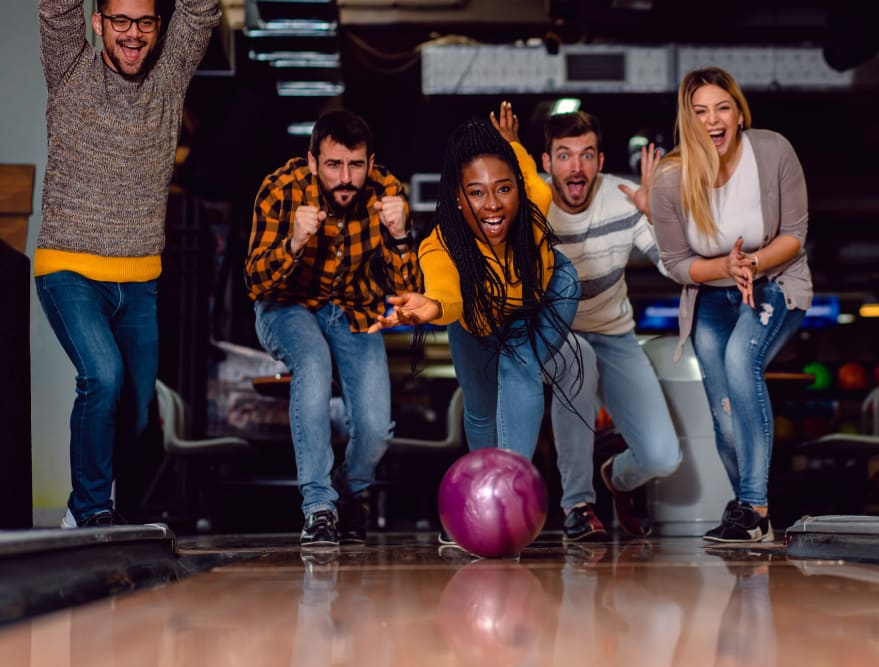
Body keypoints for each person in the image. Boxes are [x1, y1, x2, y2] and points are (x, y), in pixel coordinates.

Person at [35, 0, 221, 529]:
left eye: (144, 22)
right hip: (69, 268)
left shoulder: (169, 77)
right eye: (120, 21)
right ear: (98, 24)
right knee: (103, 376)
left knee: (136, 412)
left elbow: (202, 10)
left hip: (140, 280)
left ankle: (81, 509)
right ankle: (94, 508)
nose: (132, 34)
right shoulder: (70, 66)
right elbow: (55, 8)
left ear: (158, 26)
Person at [490, 102, 683, 540]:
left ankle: (617, 476)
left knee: (662, 457)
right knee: (580, 360)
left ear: (599, 160)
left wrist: (657, 215)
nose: (575, 167)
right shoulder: (529, 201)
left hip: (615, 334)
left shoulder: (625, 198)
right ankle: (578, 504)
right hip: (553, 333)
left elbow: (675, 268)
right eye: (564, 155)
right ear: (546, 163)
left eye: (586, 155)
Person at [648, 66, 812, 543]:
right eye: (699, 112)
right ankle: (748, 505)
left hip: (774, 283)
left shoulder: (773, 150)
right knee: (723, 412)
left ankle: (755, 509)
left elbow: (795, 236)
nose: (712, 120)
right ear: (687, 121)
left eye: (722, 108)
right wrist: (724, 268)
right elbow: (678, 262)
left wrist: (751, 265)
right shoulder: (670, 178)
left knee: (743, 363)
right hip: (711, 297)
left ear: (739, 113)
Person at [245, 110, 422, 548]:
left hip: (355, 311)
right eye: (333, 165)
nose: (346, 178)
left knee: (377, 426)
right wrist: (294, 244)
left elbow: (408, 295)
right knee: (312, 361)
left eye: (356, 165)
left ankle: (348, 493)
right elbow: (255, 282)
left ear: (371, 161)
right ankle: (319, 508)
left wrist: (400, 238)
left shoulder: (387, 192)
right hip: (287, 306)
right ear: (312, 161)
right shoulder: (280, 189)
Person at [368, 117, 580, 475]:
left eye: (503, 189)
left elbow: (525, 169)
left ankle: (511, 488)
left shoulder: (536, 200)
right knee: (480, 408)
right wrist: (432, 306)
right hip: (475, 322)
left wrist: (513, 142)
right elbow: (445, 292)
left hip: (540, 301)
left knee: (519, 363)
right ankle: (481, 494)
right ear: (459, 197)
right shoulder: (440, 245)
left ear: (518, 190)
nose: (493, 204)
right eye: (477, 192)